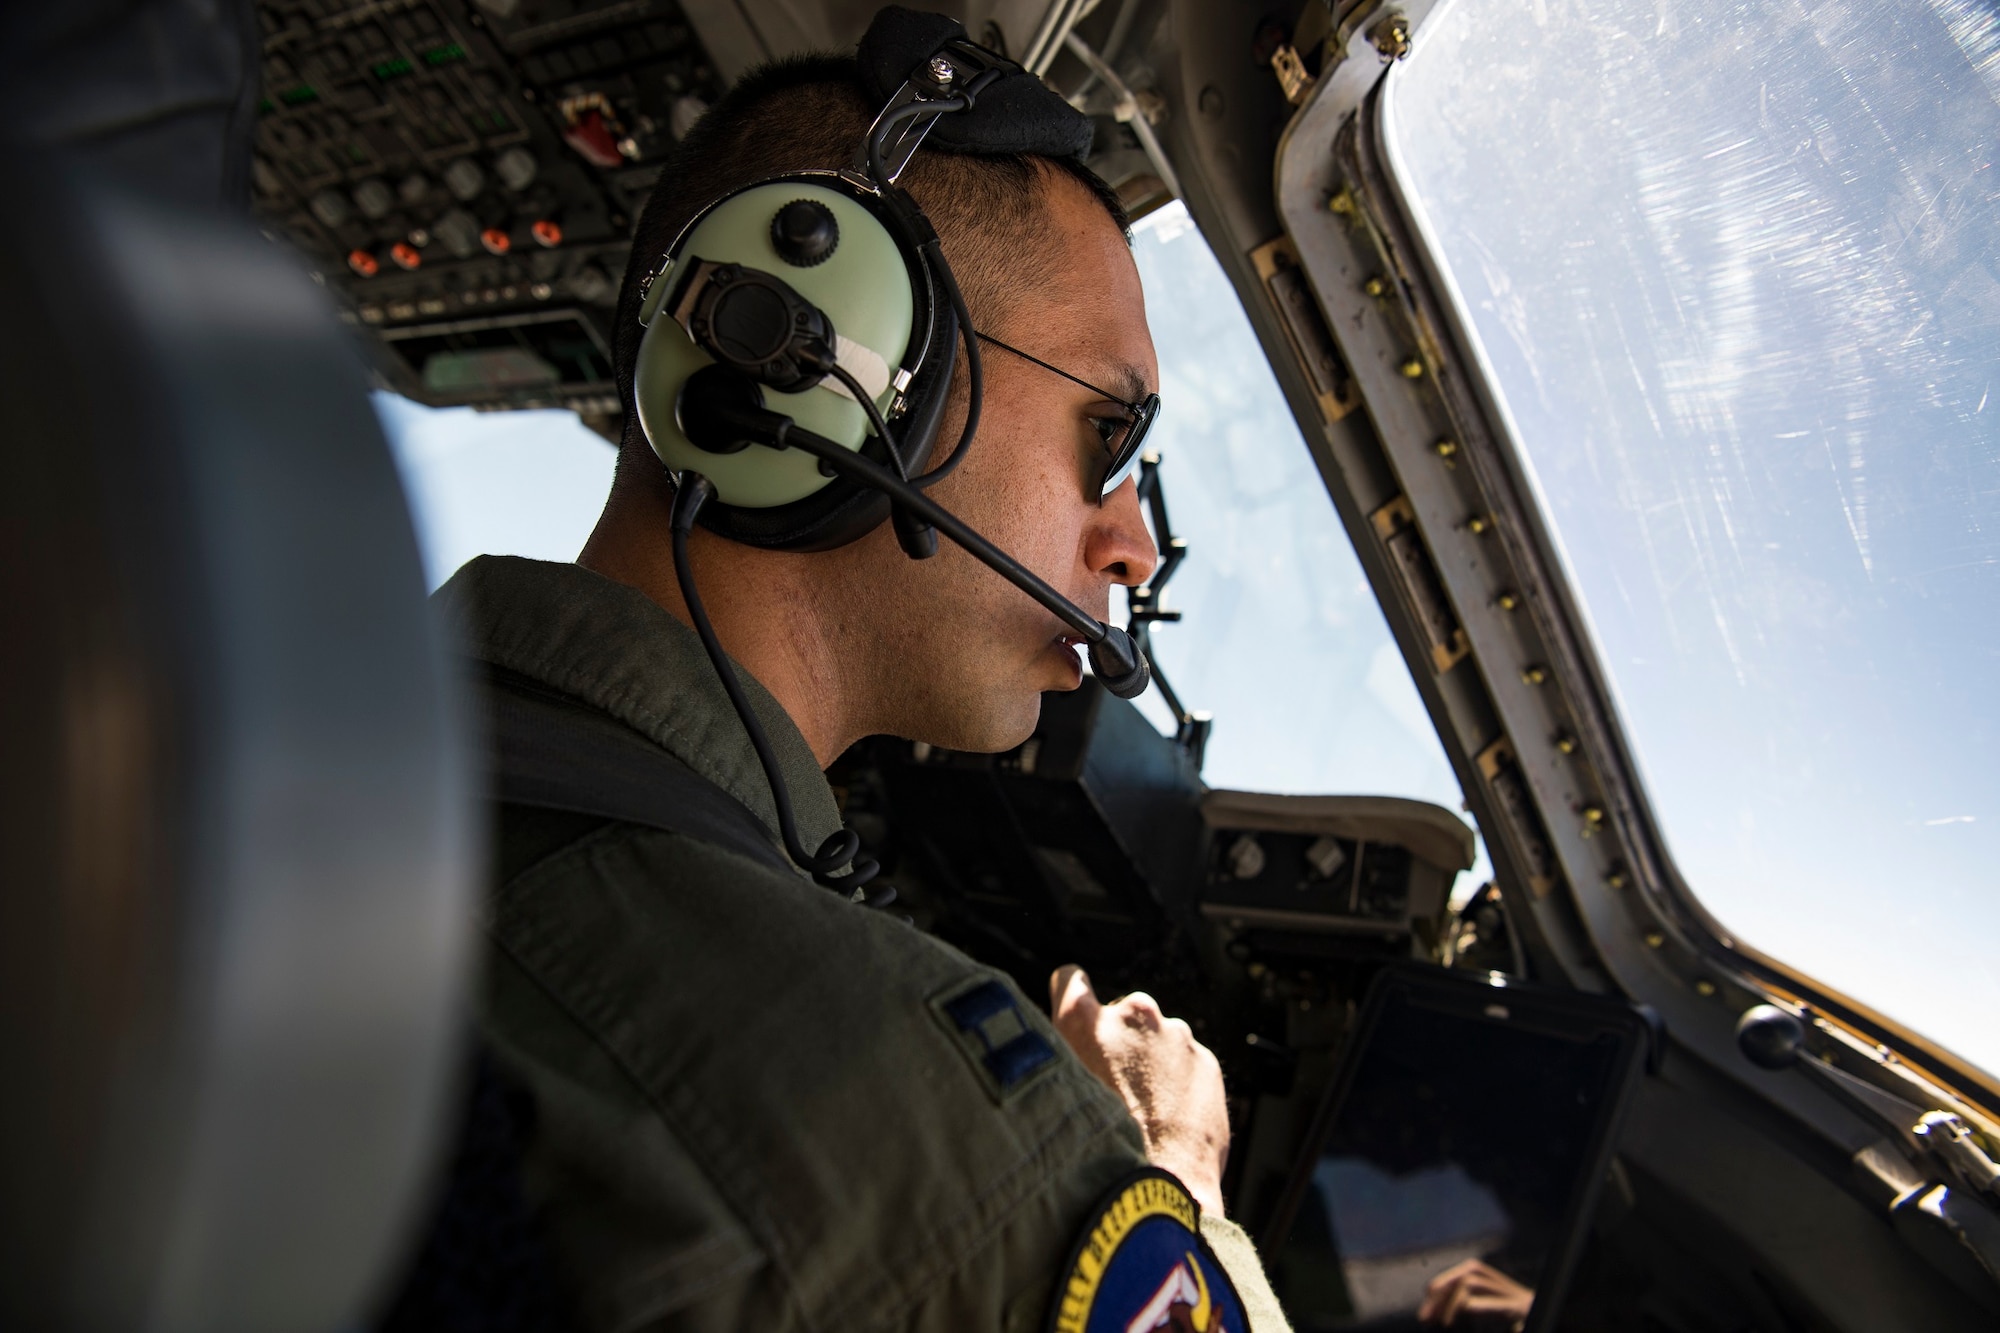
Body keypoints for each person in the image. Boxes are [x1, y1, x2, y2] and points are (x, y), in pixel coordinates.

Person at [400, 10, 1292, 1330]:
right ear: (817, 359)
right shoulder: (920, 1150)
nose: (1136, 542)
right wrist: (1176, 1176)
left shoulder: (340, 754)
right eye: (1104, 437)